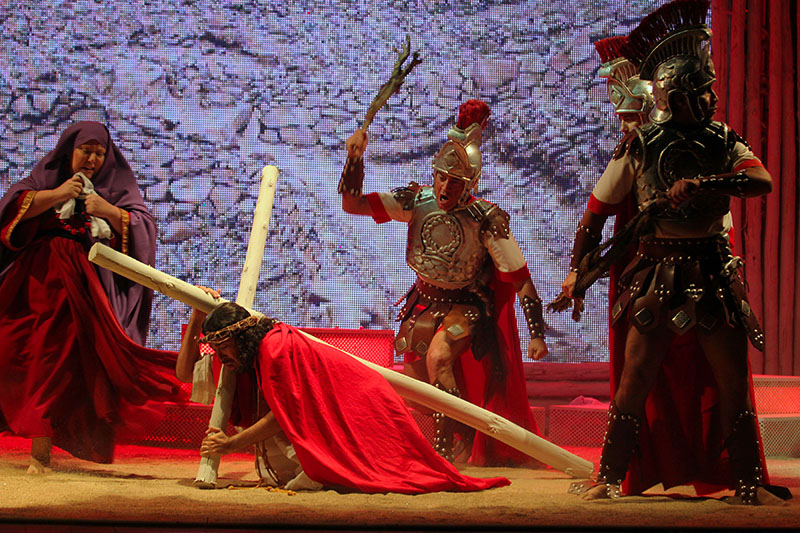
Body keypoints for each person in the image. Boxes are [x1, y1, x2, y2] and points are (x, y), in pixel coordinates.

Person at [557, 0, 783, 505]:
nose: (710, 98)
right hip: (659, 274)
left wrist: (702, 182)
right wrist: (577, 270)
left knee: (730, 381)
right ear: (679, 94)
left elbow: (760, 181)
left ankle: (747, 482)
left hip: (712, 270)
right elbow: (595, 213)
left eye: (710, 89)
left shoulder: (725, 141)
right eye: (702, 90)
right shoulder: (640, 146)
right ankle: (609, 478)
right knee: (636, 377)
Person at [339, 99, 547, 465]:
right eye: (441, 176)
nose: (445, 187)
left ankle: (442, 452)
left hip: (466, 306)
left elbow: (521, 280)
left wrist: (536, 333)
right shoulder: (415, 201)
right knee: (414, 390)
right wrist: (355, 159)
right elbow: (352, 205)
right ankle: (463, 432)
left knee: (439, 359)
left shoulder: (486, 220)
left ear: (472, 183)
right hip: (423, 301)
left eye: (455, 181)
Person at [0, 121, 185, 473]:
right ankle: (34, 444)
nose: (92, 160)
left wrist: (109, 212)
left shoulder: (114, 186)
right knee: (20, 351)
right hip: (34, 282)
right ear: (70, 150)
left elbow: (142, 225)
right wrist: (59, 195)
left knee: (60, 360)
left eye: (100, 154)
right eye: (86, 151)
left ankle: (42, 452)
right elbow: (12, 210)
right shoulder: (47, 178)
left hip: (81, 285)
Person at [182, 300, 510, 494]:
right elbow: (185, 374)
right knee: (285, 479)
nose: (221, 356)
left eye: (223, 346)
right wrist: (196, 319)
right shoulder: (242, 357)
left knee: (391, 469)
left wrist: (230, 445)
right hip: (349, 399)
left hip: (361, 399)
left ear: (241, 337)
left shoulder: (273, 349)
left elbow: (285, 414)